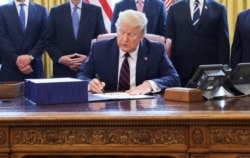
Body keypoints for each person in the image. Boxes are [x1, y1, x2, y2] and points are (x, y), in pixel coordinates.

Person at [77, 9, 180, 95]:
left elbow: (174, 78)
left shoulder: (156, 50)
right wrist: (90, 84)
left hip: (144, 108)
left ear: (141, 36)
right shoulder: (99, 48)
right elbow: (82, 75)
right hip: (108, 107)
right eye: (121, 32)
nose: (125, 39)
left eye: (131, 34)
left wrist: (150, 84)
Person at [165, 0, 230, 86]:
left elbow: (223, 43)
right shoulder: (175, 8)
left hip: (209, 71)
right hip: (181, 70)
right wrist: (170, 70)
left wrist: (223, 71)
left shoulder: (219, 8)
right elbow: (170, 41)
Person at [45, 0, 106, 78]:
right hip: (62, 70)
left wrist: (88, 59)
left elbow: (100, 40)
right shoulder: (55, 11)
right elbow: (48, 40)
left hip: (88, 70)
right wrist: (61, 58)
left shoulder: (95, 11)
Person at [0, 0, 48, 81]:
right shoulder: (2, 10)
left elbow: (45, 37)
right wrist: (18, 61)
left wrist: (30, 56)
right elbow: (2, 38)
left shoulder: (41, 10)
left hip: (34, 68)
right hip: (10, 69)